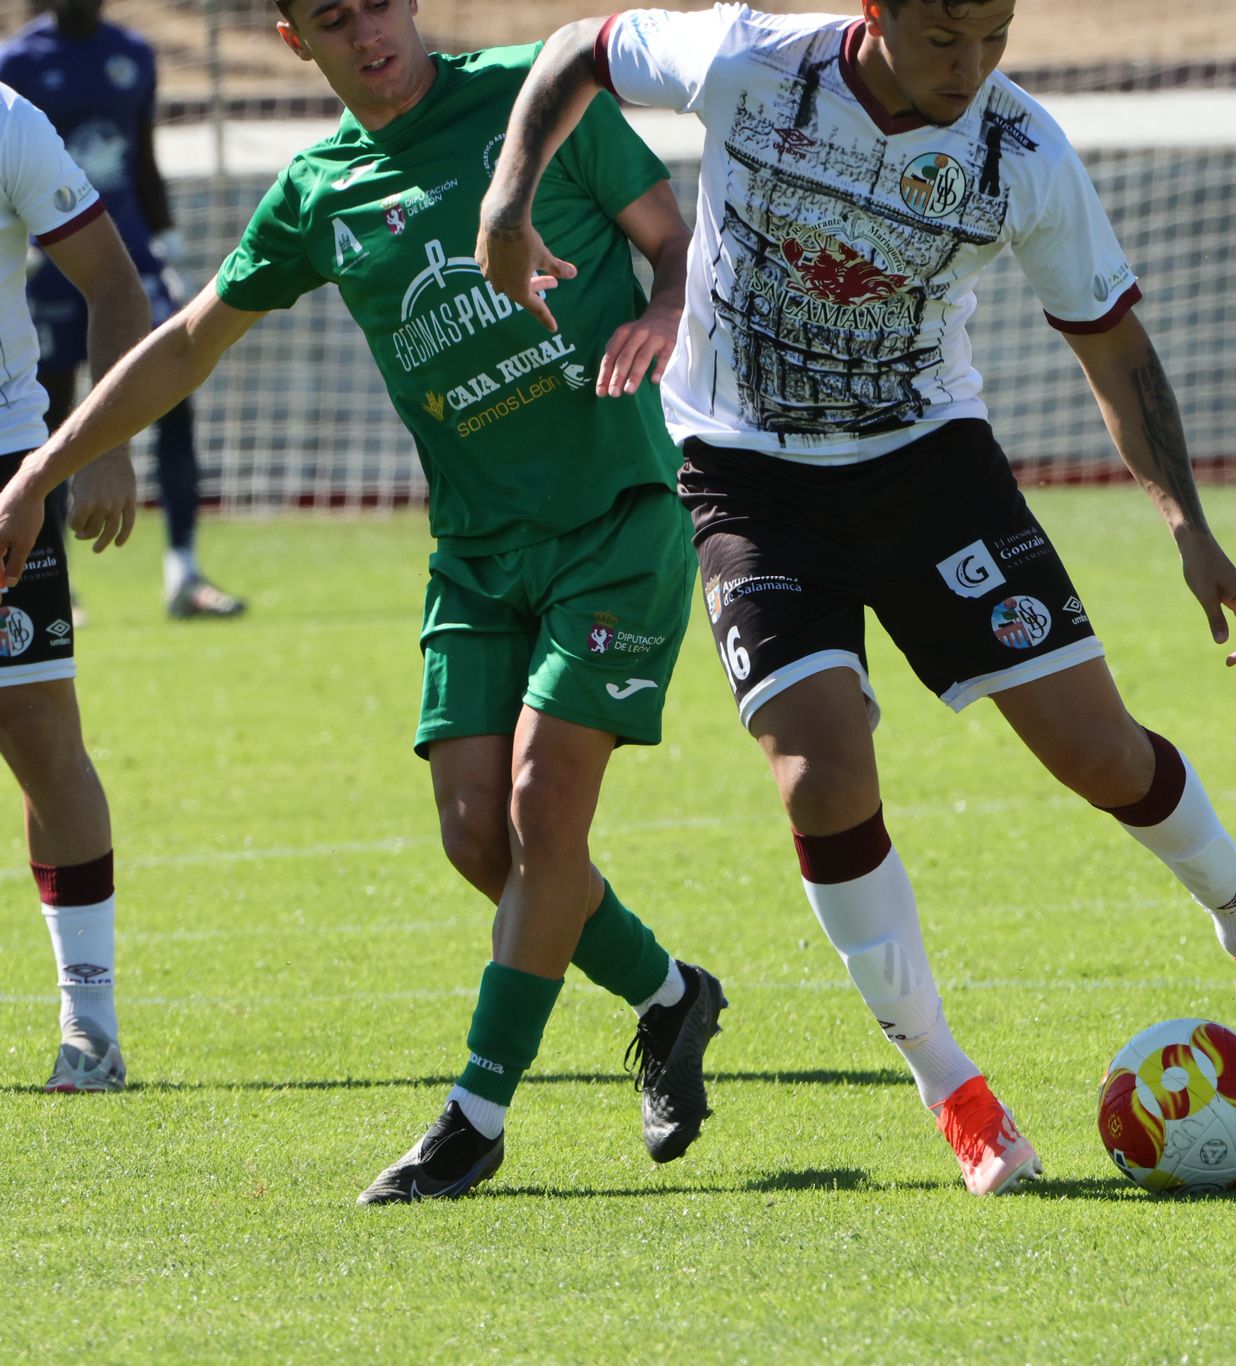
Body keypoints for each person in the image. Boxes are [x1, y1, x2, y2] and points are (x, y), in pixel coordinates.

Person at [479, 0, 1236, 1198]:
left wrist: (1188, 527)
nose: (972, 66)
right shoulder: (748, 62)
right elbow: (578, 50)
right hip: (750, 480)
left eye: (994, 35)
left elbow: (1112, 347)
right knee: (820, 778)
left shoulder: (1020, 150)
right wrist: (507, 205)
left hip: (928, 470)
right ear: (877, 12)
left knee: (1099, 751)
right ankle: (950, 1085)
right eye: (946, 38)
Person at [0, 0, 723, 1204]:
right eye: (333, 19)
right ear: (297, 41)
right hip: (474, 554)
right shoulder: (317, 193)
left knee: (543, 813)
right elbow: (186, 342)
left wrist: (661, 311)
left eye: (379, 3)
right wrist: (44, 468)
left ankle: (472, 1119)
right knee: (476, 839)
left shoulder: (538, 101)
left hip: (616, 517)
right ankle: (671, 994)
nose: (368, 33)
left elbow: (676, 243)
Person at [0, 0, 244, 619]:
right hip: (53, 266)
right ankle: (54, 578)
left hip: (126, 252)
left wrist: (167, 240)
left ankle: (184, 570)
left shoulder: (132, 54)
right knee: (48, 417)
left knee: (170, 398)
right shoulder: (17, 62)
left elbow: (143, 158)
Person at [0, 82, 150, 1091]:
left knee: (42, 739)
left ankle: (89, 1026)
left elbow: (115, 287)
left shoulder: (9, 122)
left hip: (4, 470)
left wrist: (103, 450)